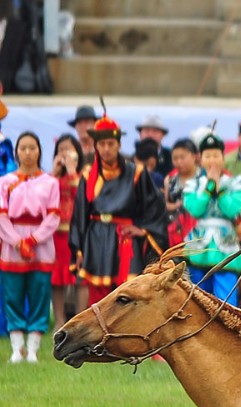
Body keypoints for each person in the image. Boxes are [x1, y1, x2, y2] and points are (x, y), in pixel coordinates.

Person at [70, 111, 167, 303]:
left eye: (111, 144)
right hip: (96, 238)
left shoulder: (136, 173)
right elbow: (80, 215)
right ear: (96, 145)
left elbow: (155, 206)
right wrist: (78, 249)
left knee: (128, 294)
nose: (106, 149)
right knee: (98, 295)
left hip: (125, 239)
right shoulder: (89, 175)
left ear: (119, 145)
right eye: (102, 144)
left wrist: (143, 229)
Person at [1, 133, 56, 363]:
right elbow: (2, 216)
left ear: (39, 151)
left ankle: (33, 348)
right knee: (12, 294)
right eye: (23, 148)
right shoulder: (5, 181)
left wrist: (33, 240)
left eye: (32, 148)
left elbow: (53, 217)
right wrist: (16, 241)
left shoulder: (50, 182)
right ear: (16, 152)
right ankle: (17, 348)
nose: (27, 153)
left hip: (40, 246)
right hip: (12, 244)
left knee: (39, 294)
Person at [179, 132, 241, 305]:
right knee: (198, 300)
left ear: (223, 158)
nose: (212, 160)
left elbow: (232, 210)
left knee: (227, 301)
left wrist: (220, 188)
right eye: (207, 156)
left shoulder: (235, 183)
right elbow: (195, 209)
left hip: (226, 246)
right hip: (199, 245)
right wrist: (210, 186)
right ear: (200, 159)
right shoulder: (193, 184)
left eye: (216, 155)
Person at [50, 134, 83, 326]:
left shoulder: (83, 175)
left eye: (69, 149)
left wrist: (71, 171)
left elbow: (82, 196)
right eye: (61, 149)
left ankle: (79, 320)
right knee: (57, 278)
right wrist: (55, 172)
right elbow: (42, 193)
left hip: (77, 233)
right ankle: (59, 321)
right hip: (56, 234)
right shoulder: (53, 176)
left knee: (80, 278)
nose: (65, 153)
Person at [163, 139, 200, 249]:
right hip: (175, 233)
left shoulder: (204, 177)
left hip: (198, 231)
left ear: (194, 156)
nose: (179, 162)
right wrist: (175, 206)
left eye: (182, 158)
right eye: (175, 158)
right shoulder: (170, 180)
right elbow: (166, 205)